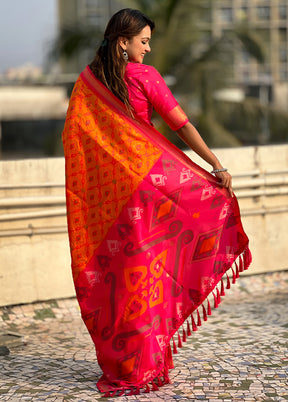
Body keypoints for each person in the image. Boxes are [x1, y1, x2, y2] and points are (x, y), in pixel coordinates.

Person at [62, 8, 251, 397]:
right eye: (143, 41)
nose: (148, 49)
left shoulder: (86, 84)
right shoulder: (144, 77)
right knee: (152, 277)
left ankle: (134, 361)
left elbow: (75, 141)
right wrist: (215, 164)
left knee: (126, 279)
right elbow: (180, 124)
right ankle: (148, 364)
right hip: (150, 191)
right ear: (123, 42)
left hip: (114, 201)